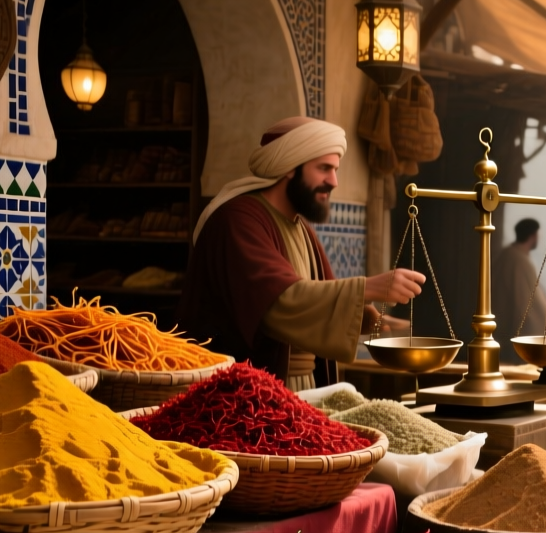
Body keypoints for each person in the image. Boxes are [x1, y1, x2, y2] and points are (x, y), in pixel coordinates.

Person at [181, 116, 422, 390]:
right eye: (324, 168)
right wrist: (368, 287)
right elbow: (277, 301)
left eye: (335, 169)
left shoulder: (300, 227)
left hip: (302, 389)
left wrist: (368, 319)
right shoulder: (237, 220)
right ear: (288, 167)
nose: (334, 181)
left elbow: (317, 298)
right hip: (245, 394)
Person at [493, 218, 545, 364]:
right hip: (516, 331)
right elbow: (525, 301)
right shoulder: (517, 260)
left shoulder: (511, 255)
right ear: (533, 236)